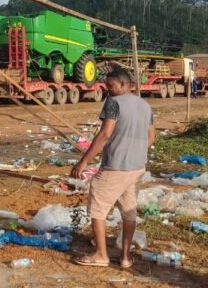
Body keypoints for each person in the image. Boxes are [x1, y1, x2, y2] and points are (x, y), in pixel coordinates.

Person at [70, 68, 155, 269]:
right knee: (128, 211)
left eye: (111, 86)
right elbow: (151, 137)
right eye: (107, 86)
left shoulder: (113, 103)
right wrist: (134, 150)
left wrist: (83, 162)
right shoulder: (145, 105)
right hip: (137, 167)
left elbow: (105, 135)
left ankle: (101, 255)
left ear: (124, 84)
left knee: (98, 208)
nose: (108, 89)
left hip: (115, 166)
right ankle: (125, 257)